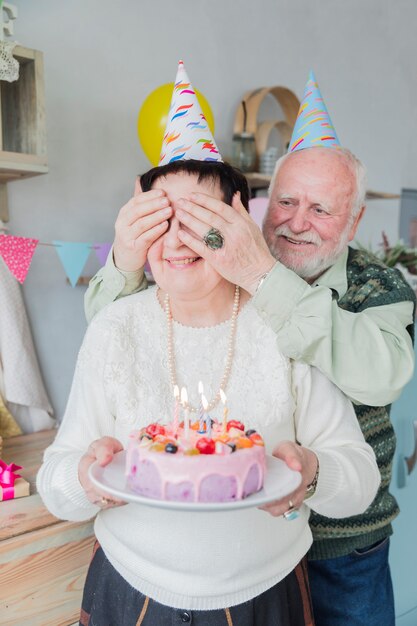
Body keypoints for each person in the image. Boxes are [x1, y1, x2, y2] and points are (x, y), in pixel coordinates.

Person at [37, 158, 380, 626]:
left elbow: (361, 479)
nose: (175, 240)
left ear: (238, 223)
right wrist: (85, 476)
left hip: (268, 593)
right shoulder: (114, 326)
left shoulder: (287, 323)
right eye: (159, 221)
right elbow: (54, 483)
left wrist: (314, 473)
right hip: (129, 589)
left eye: (196, 220)